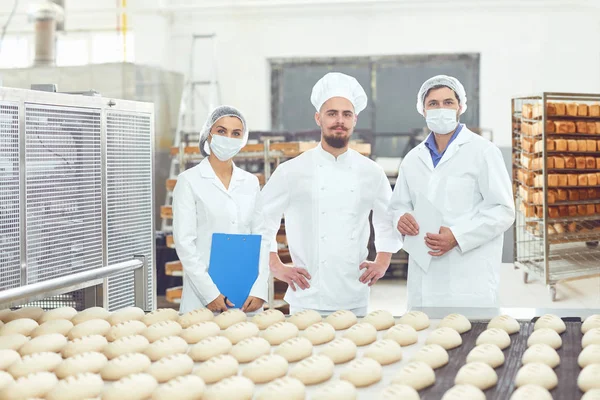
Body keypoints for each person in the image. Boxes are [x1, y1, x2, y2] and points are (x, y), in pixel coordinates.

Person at [261, 72, 402, 317]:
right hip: (307, 295)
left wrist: (383, 261)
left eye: (346, 114)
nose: (340, 120)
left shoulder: (371, 172)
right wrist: (274, 265)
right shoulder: (291, 171)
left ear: (355, 120)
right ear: (318, 118)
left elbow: (387, 219)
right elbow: (262, 218)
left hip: (354, 293)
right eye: (332, 113)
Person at [389, 75, 515, 309]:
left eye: (448, 102)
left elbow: (503, 210)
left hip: (468, 276)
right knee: (424, 338)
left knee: (471, 339)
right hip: (423, 278)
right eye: (433, 104)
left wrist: (458, 236)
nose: (441, 109)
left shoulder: (483, 152)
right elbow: (399, 205)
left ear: (460, 107)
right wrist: (401, 219)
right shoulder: (413, 158)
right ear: (423, 110)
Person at [172, 105, 269, 314]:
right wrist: (210, 294)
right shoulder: (189, 181)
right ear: (208, 135)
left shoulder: (250, 182)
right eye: (221, 131)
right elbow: (184, 243)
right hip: (202, 299)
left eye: (236, 133)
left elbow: (262, 237)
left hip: (246, 295)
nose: (228, 138)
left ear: (243, 140)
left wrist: (260, 289)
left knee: (249, 345)